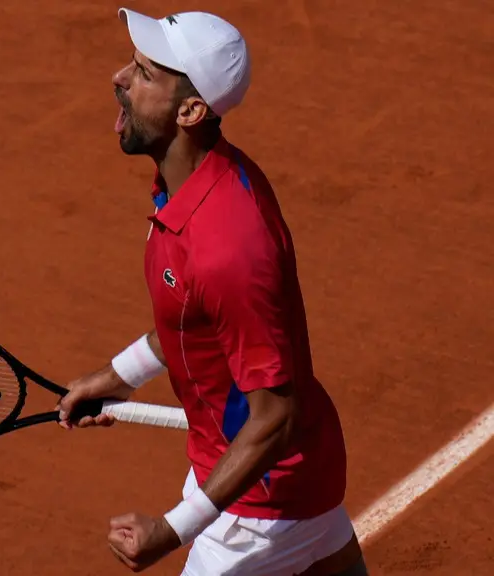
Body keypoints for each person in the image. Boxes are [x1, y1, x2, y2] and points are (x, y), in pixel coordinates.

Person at [56, 8, 369, 575]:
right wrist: (115, 377)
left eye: (145, 73)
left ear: (191, 110)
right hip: (274, 469)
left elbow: (273, 418)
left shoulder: (228, 245)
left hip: (262, 502)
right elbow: (191, 319)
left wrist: (172, 529)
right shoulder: (193, 187)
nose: (118, 78)